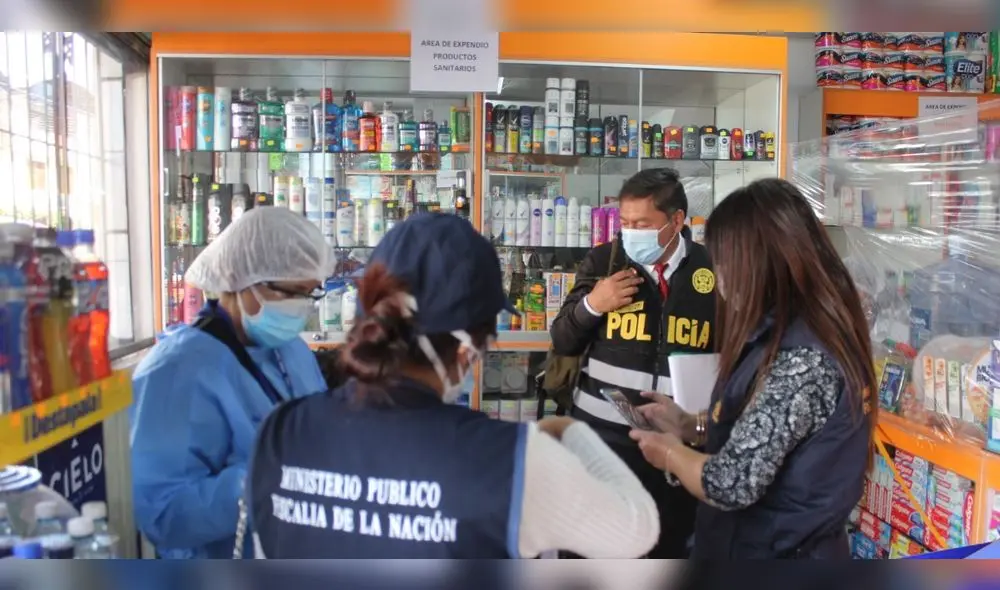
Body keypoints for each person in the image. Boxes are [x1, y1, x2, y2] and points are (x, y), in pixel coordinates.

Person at [247, 213, 659, 559]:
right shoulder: (509, 459)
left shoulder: (282, 428)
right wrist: (571, 430)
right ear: (467, 348)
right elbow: (637, 529)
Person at [630, 178, 876, 559]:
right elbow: (756, 430)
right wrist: (687, 425)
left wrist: (670, 455)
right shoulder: (777, 333)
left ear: (763, 262)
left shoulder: (805, 360)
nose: (720, 277)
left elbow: (732, 481)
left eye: (726, 262)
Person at [130, 207, 335, 559]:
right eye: (293, 293)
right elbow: (161, 514)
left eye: (311, 295)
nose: (303, 308)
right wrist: (262, 481)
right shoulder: (175, 372)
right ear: (243, 282)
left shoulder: (291, 350)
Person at [548, 167, 716, 557]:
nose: (630, 233)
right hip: (600, 445)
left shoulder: (711, 271)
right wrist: (594, 304)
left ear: (677, 221)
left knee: (664, 553)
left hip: (674, 451)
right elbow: (562, 338)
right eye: (625, 223)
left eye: (642, 223)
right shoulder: (605, 262)